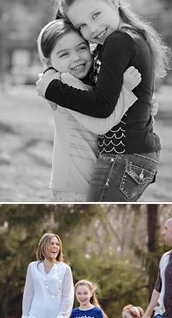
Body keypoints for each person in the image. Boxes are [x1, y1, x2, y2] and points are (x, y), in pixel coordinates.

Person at [36, 0, 169, 202]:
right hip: (130, 154)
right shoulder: (121, 40)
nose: (93, 28)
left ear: (114, 2)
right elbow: (105, 93)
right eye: (82, 26)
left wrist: (51, 88)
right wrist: (51, 72)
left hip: (124, 155)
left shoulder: (118, 41)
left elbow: (101, 107)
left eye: (96, 15)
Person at [36, 19, 142, 201]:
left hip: (83, 177)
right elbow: (101, 125)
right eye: (64, 54)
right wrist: (125, 91)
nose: (77, 57)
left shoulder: (86, 82)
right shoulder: (66, 83)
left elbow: (107, 109)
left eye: (81, 48)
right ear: (48, 61)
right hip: (75, 181)